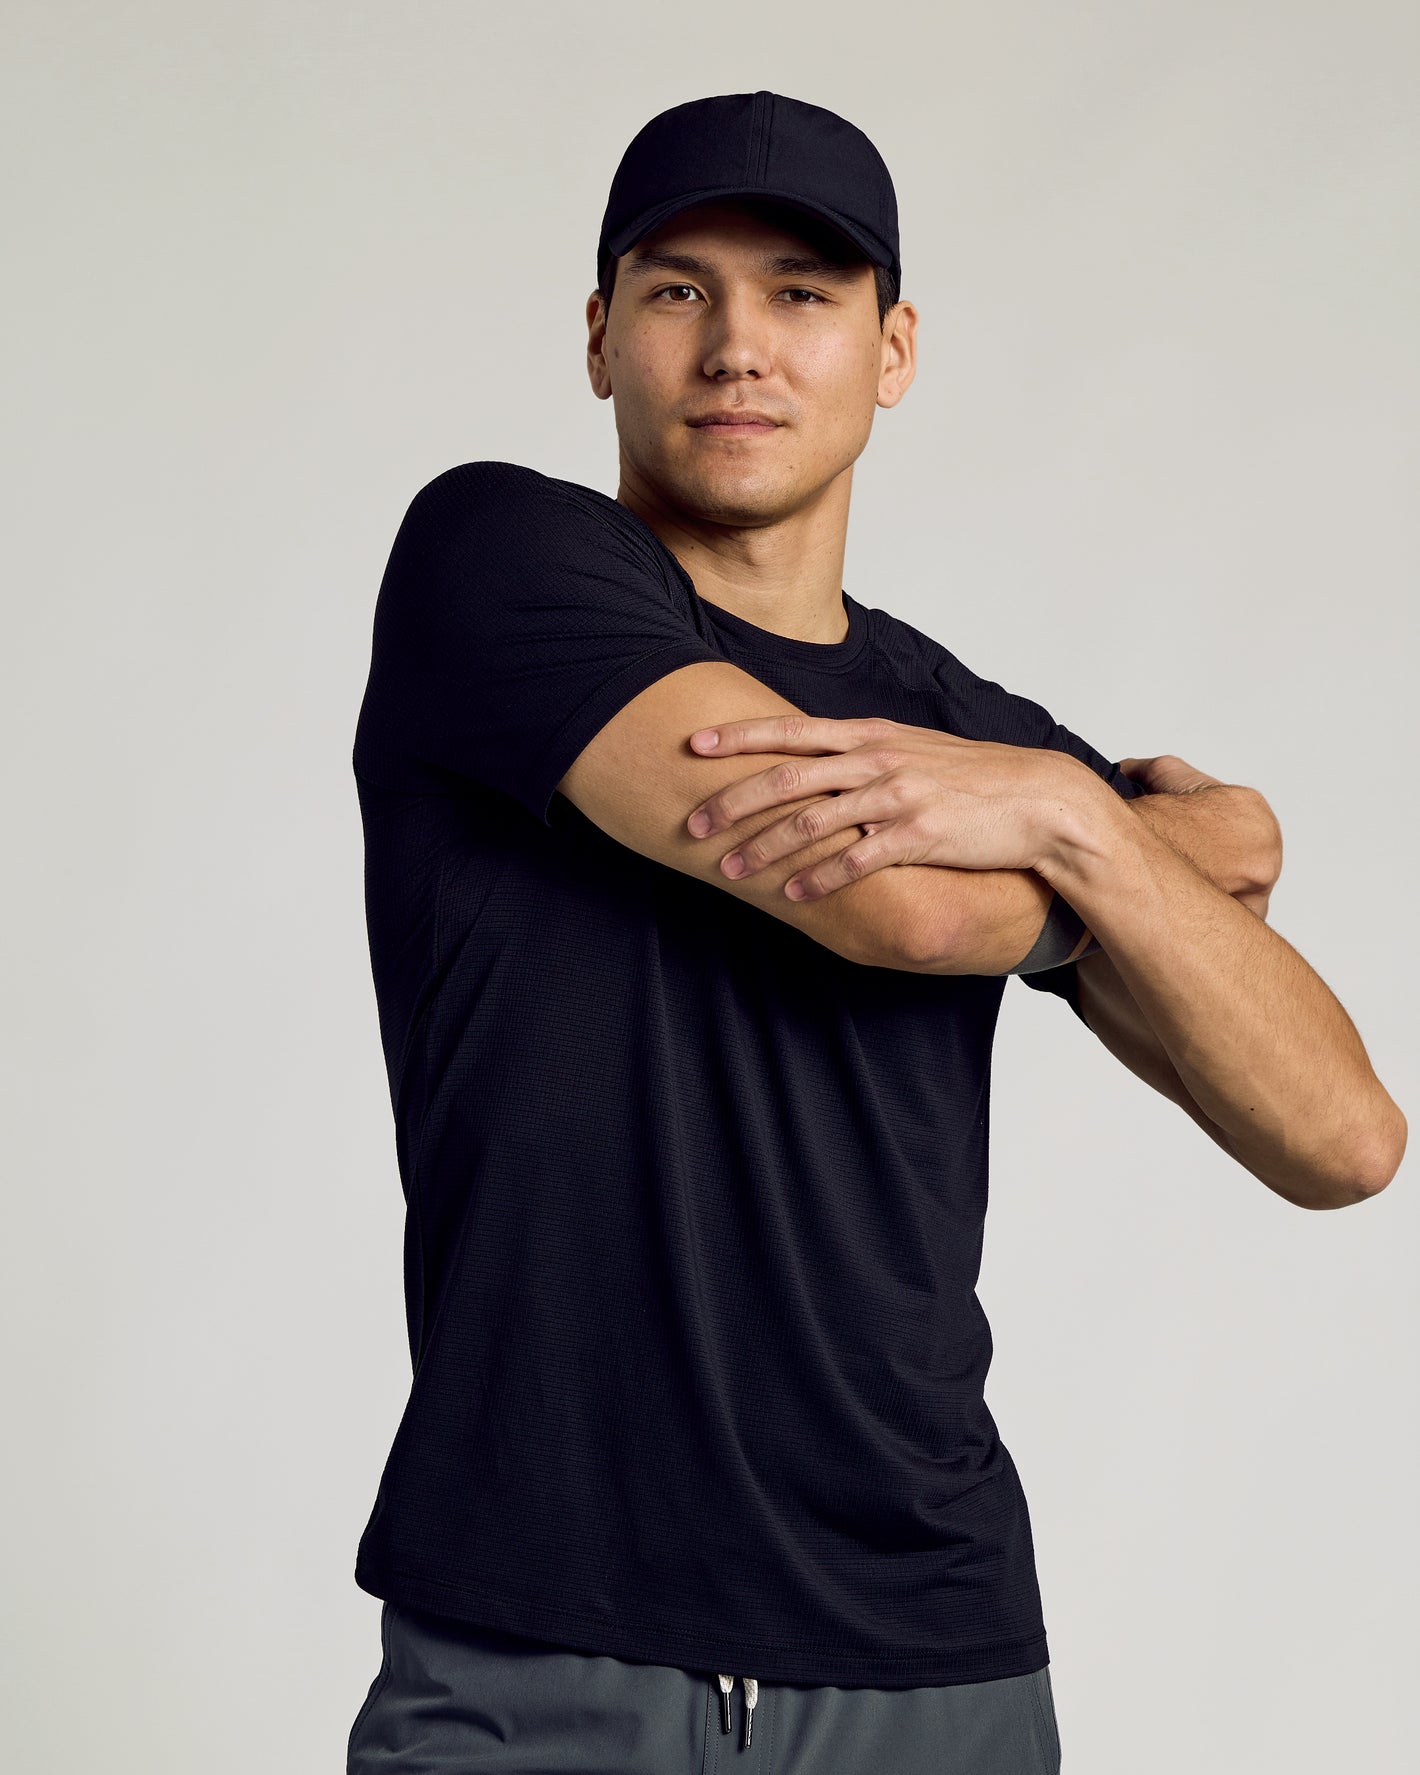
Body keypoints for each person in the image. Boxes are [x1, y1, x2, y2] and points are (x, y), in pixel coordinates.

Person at [344, 90, 1404, 1774]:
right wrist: (1116, 845)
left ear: (893, 350)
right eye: (680, 289)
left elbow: (1341, 1137)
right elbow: (894, 899)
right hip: (547, 1645)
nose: (737, 347)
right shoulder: (499, 562)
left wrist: (1065, 824)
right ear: (599, 336)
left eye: (805, 294)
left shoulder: (955, 721)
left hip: (936, 1663)